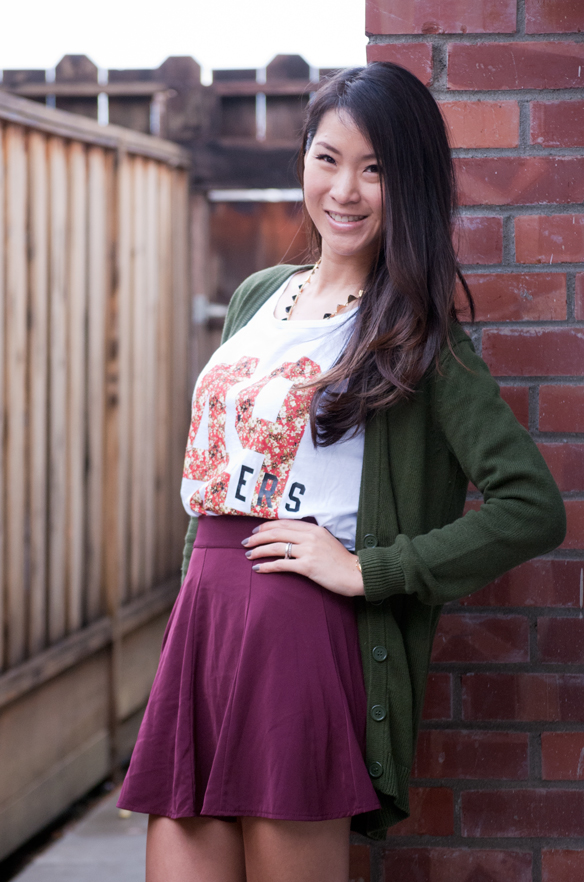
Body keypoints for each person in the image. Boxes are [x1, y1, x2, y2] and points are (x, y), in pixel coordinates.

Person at [117, 62, 566, 882]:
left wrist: (370, 570)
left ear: (409, 187)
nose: (346, 190)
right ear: (303, 160)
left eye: (376, 170)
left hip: (300, 639)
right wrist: (191, 611)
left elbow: (532, 507)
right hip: (204, 626)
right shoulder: (259, 296)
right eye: (328, 159)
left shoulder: (418, 335)